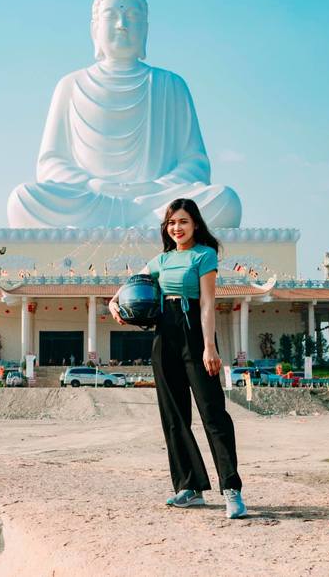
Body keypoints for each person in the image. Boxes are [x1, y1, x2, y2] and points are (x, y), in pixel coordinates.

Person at [7, 0, 241, 228]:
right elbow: (50, 163)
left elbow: (195, 163)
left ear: (146, 30)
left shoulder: (170, 84)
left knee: (225, 200)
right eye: (111, 16)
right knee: (22, 198)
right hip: (93, 200)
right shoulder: (71, 84)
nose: (122, 24)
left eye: (133, 17)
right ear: (94, 29)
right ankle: (147, 226)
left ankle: (140, 223)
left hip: (158, 202)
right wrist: (92, 184)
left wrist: (157, 187)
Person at [109, 197, 246, 519]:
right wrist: (114, 306)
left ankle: (232, 489)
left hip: (194, 333)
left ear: (195, 224)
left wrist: (209, 347)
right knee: (173, 416)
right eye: (171, 223)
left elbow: (208, 304)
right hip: (164, 335)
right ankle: (189, 486)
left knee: (214, 415)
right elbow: (126, 288)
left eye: (182, 222)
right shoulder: (161, 260)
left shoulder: (204, 255)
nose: (177, 228)